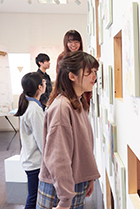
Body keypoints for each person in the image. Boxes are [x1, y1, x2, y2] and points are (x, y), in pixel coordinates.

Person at [37, 51, 100, 209]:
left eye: (95, 72)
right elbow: (58, 158)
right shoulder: (62, 107)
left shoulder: (78, 102)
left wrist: (89, 176)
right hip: (59, 189)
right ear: (72, 76)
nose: (94, 76)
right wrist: (65, 198)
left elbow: (83, 146)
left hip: (72, 184)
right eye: (88, 72)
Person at [14, 72, 46, 209]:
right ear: (40, 87)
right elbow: (42, 140)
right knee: (34, 198)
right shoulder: (34, 109)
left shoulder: (29, 104)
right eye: (43, 83)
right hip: (35, 162)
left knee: (33, 196)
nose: (45, 84)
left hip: (30, 160)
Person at [56, 30, 92, 105]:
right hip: (68, 93)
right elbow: (60, 79)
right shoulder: (62, 58)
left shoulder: (83, 57)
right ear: (66, 43)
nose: (73, 45)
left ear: (80, 43)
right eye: (70, 42)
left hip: (83, 93)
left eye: (76, 42)